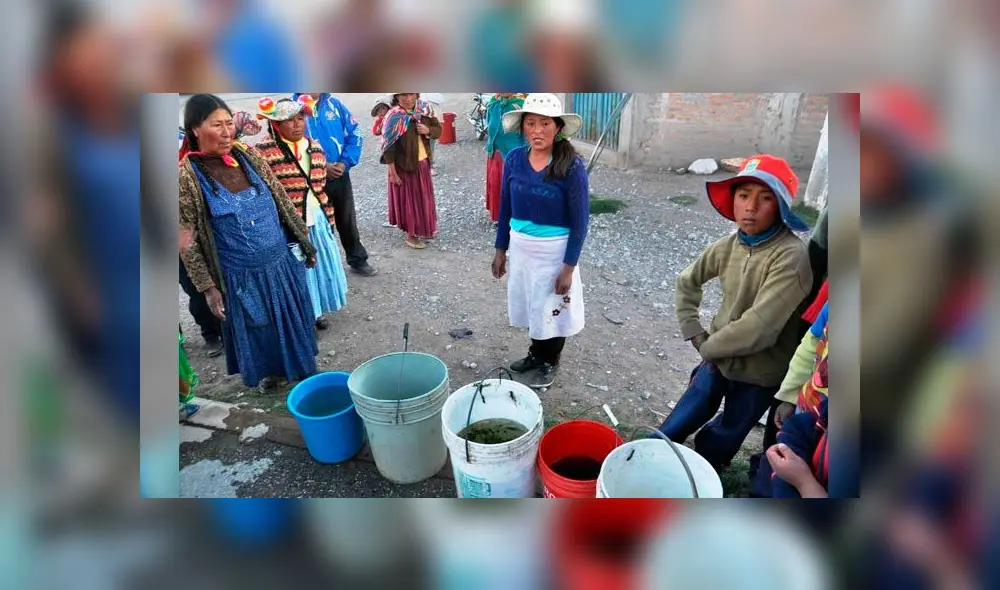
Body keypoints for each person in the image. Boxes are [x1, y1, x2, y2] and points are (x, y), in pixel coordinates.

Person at [655, 154, 813, 470]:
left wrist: (709, 347)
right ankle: (652, 454)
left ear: (780, 208)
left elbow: (759, 327)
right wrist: (693, 329)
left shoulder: (791, 257)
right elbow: (687, 281)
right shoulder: (728, 245)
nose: (750, 207)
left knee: (729, 430)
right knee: (685, 413)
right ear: (733, 200)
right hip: (717, 357)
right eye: (743, 195)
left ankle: (703, 470)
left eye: (765, 198)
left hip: (761, 371)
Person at [179, 93, 319, 393]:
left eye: (229, 123)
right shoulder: (187, 178)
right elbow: (187, 241)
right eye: (217, 125)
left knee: (295, 318)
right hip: (241, 275)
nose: (227, 132)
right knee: (259, 328)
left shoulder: (249, 156)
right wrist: (208, 288)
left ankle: (304, 371)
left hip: (280, 262)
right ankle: (271, 375)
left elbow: (281, 199)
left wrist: (304, 241)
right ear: (195, 130)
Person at [491, 93, 589, 390]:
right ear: (522, 127)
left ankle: (550, 361)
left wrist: (568, 267)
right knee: (533, 305)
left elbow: (580, 222)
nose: (537, 130)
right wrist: (500, 250)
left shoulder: (571, 166)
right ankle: (536, 354)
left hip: (554, 253)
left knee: (553, 308)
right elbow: (505, 207)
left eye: (545, 123)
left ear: (557, 127)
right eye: (531, 123)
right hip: (522, 249)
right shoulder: (514, 159)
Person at [253, 95, 349, 331]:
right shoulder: (263, 152)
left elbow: (319, 185)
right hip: (288, 225)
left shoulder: (314, 147)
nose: (297, 124)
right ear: (276, 124)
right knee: (296, 270)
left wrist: (327, 215)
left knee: (318, 267)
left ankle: (316, 311)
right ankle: (302, 315)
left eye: (300, 118)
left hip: (317, 217)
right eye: (289, 120)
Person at [178, 109, 261, 355]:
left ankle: (221, 331)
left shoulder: (180, 138)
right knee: (193, 286)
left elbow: (209, 152)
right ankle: (209, 333)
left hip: (187, 220)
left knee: (204, 281)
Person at [292, 92, 377, 276]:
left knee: (346, 219)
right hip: (309, 179)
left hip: (339, 174)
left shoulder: (335, 105)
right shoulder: (291, 109)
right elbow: (288, 145)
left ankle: (357, 259)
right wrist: (321, 166)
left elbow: (354, 133)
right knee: (319, 224)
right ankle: (324, 268)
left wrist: (345, 163)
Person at [379, 93, 441, 249]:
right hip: (404, 166)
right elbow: (388, 147)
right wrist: (392, 171)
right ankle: (411, 235)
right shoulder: (393, 116)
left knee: (424, 198)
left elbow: (438, 130)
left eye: (411, 94)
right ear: (397, 97)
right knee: (409, 201)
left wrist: (428, 130)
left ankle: (425, 228)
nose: (407, 99)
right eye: (403, 95)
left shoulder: (425, 110)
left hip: (422, 163)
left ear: (416, 94)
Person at [484, 93, 528, 224]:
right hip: (495, 153)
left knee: (511, 187)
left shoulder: (520, 106)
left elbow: (526, 134)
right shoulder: (493, 103)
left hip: (512, 156)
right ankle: (498, 216)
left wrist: (525, 156)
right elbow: (489, 124)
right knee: (496, 185)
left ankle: (513, 216)